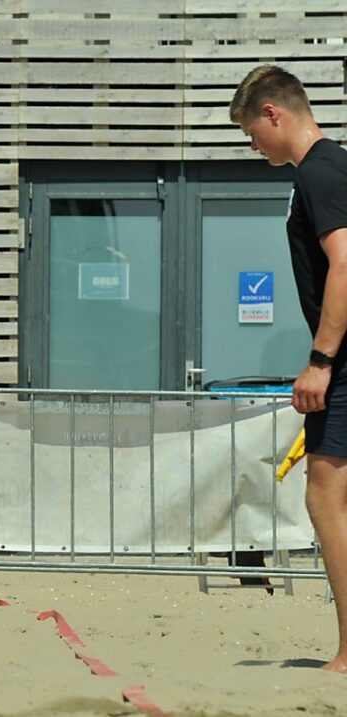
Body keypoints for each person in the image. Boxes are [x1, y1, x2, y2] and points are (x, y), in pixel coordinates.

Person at [231, 64, 347, 674]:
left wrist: (320, 362)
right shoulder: (336, 167)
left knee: (327, 501)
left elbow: (345, 265)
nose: (252, 145)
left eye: (250, 131)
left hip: (344, 364)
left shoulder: (318, 173)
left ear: (273, 113)